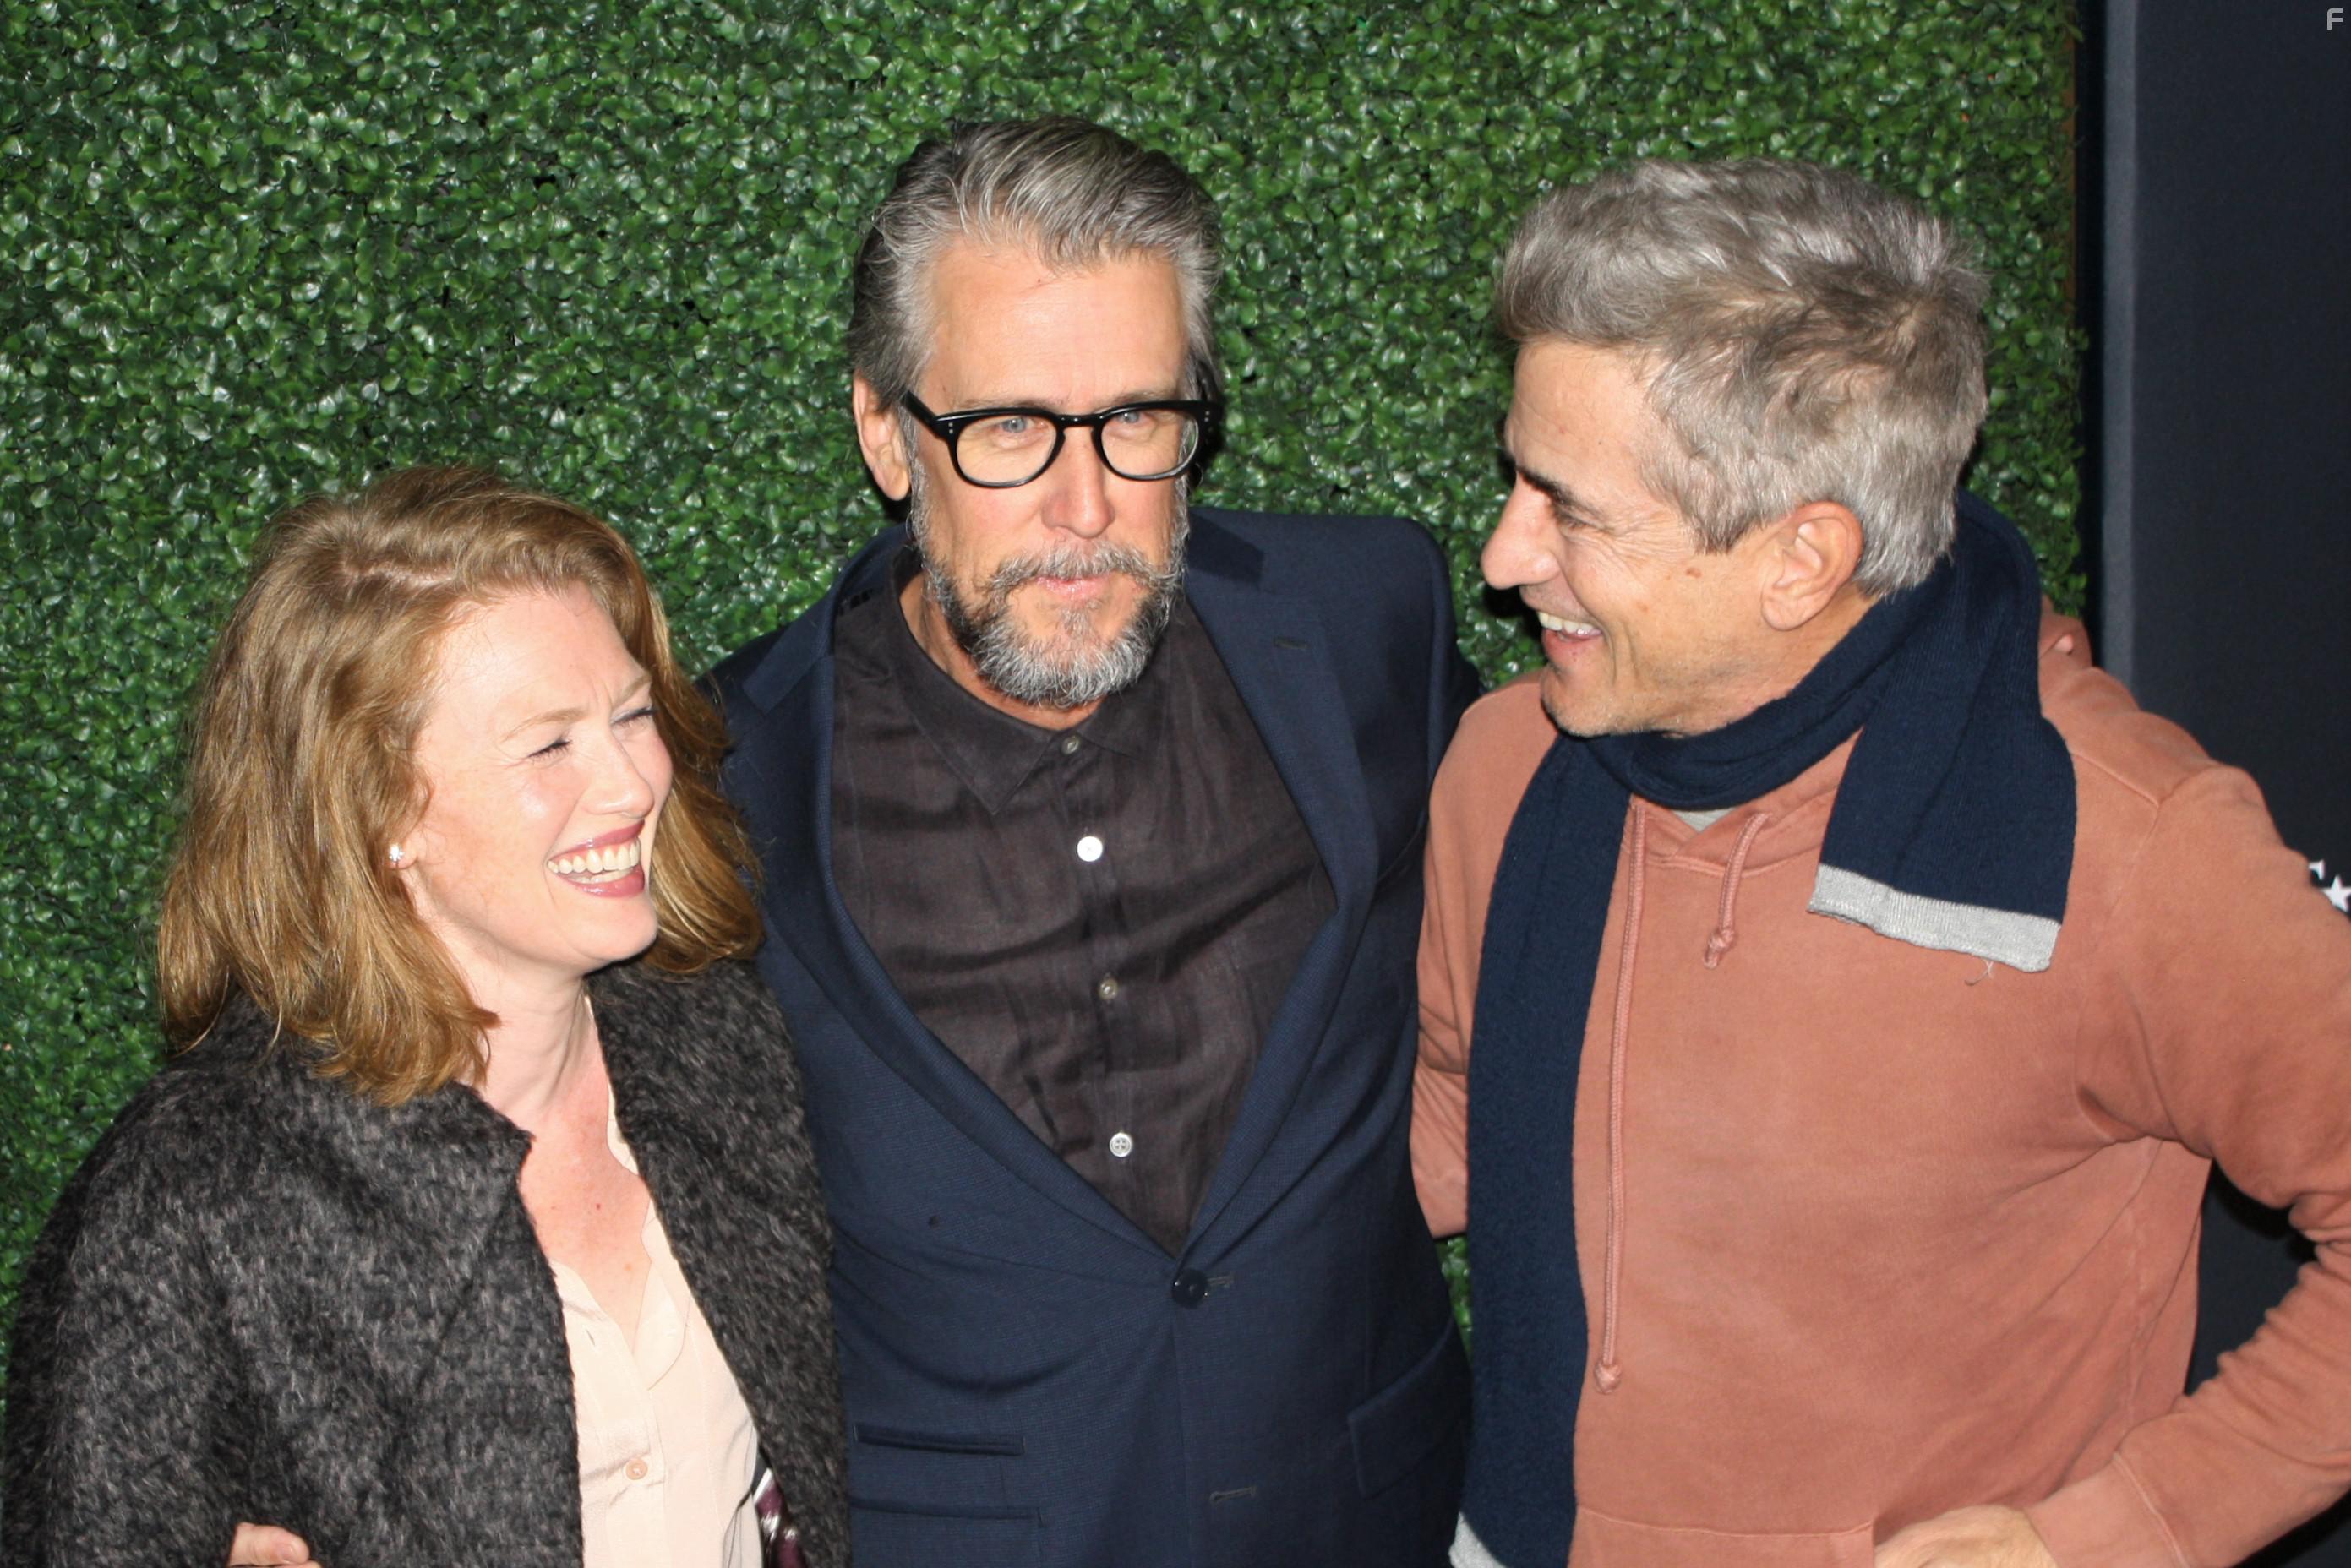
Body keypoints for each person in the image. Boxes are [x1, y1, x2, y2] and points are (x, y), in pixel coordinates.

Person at [1412, 157, 2351, 1568]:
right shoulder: (1511, 766)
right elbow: (1455, 1103)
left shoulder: (2132, 846)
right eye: (1516, 479)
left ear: (1801, 560)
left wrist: (2115, 1534)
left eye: (1571, 509)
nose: (1500, 557)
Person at [710, 117, 1478, 1567]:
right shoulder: (733, 771)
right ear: (884, 433)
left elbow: (1577, 869)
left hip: (1366, 1508)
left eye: (1138, 419)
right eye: (1008, 429)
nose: (1088, 507)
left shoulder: (1368, 621)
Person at [0, 467, 848, 1568]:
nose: (635, 785)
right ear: (376, 809)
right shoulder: (196, 1196)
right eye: (549, 744)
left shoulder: (716, 1043)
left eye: (631, 714)